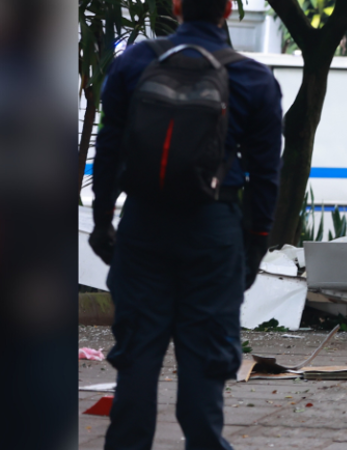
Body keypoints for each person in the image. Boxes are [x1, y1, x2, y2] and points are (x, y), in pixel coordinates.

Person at [87, 0, 283, 448]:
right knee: (207, 356)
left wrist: (103, 221)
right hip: (213, 230)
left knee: (136, 353)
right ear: (229, 10)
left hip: (143, 224)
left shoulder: (136, 62)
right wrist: (255, 243)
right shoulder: (253, 77)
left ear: (176, 7)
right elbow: (266, 175)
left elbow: (110, 146)